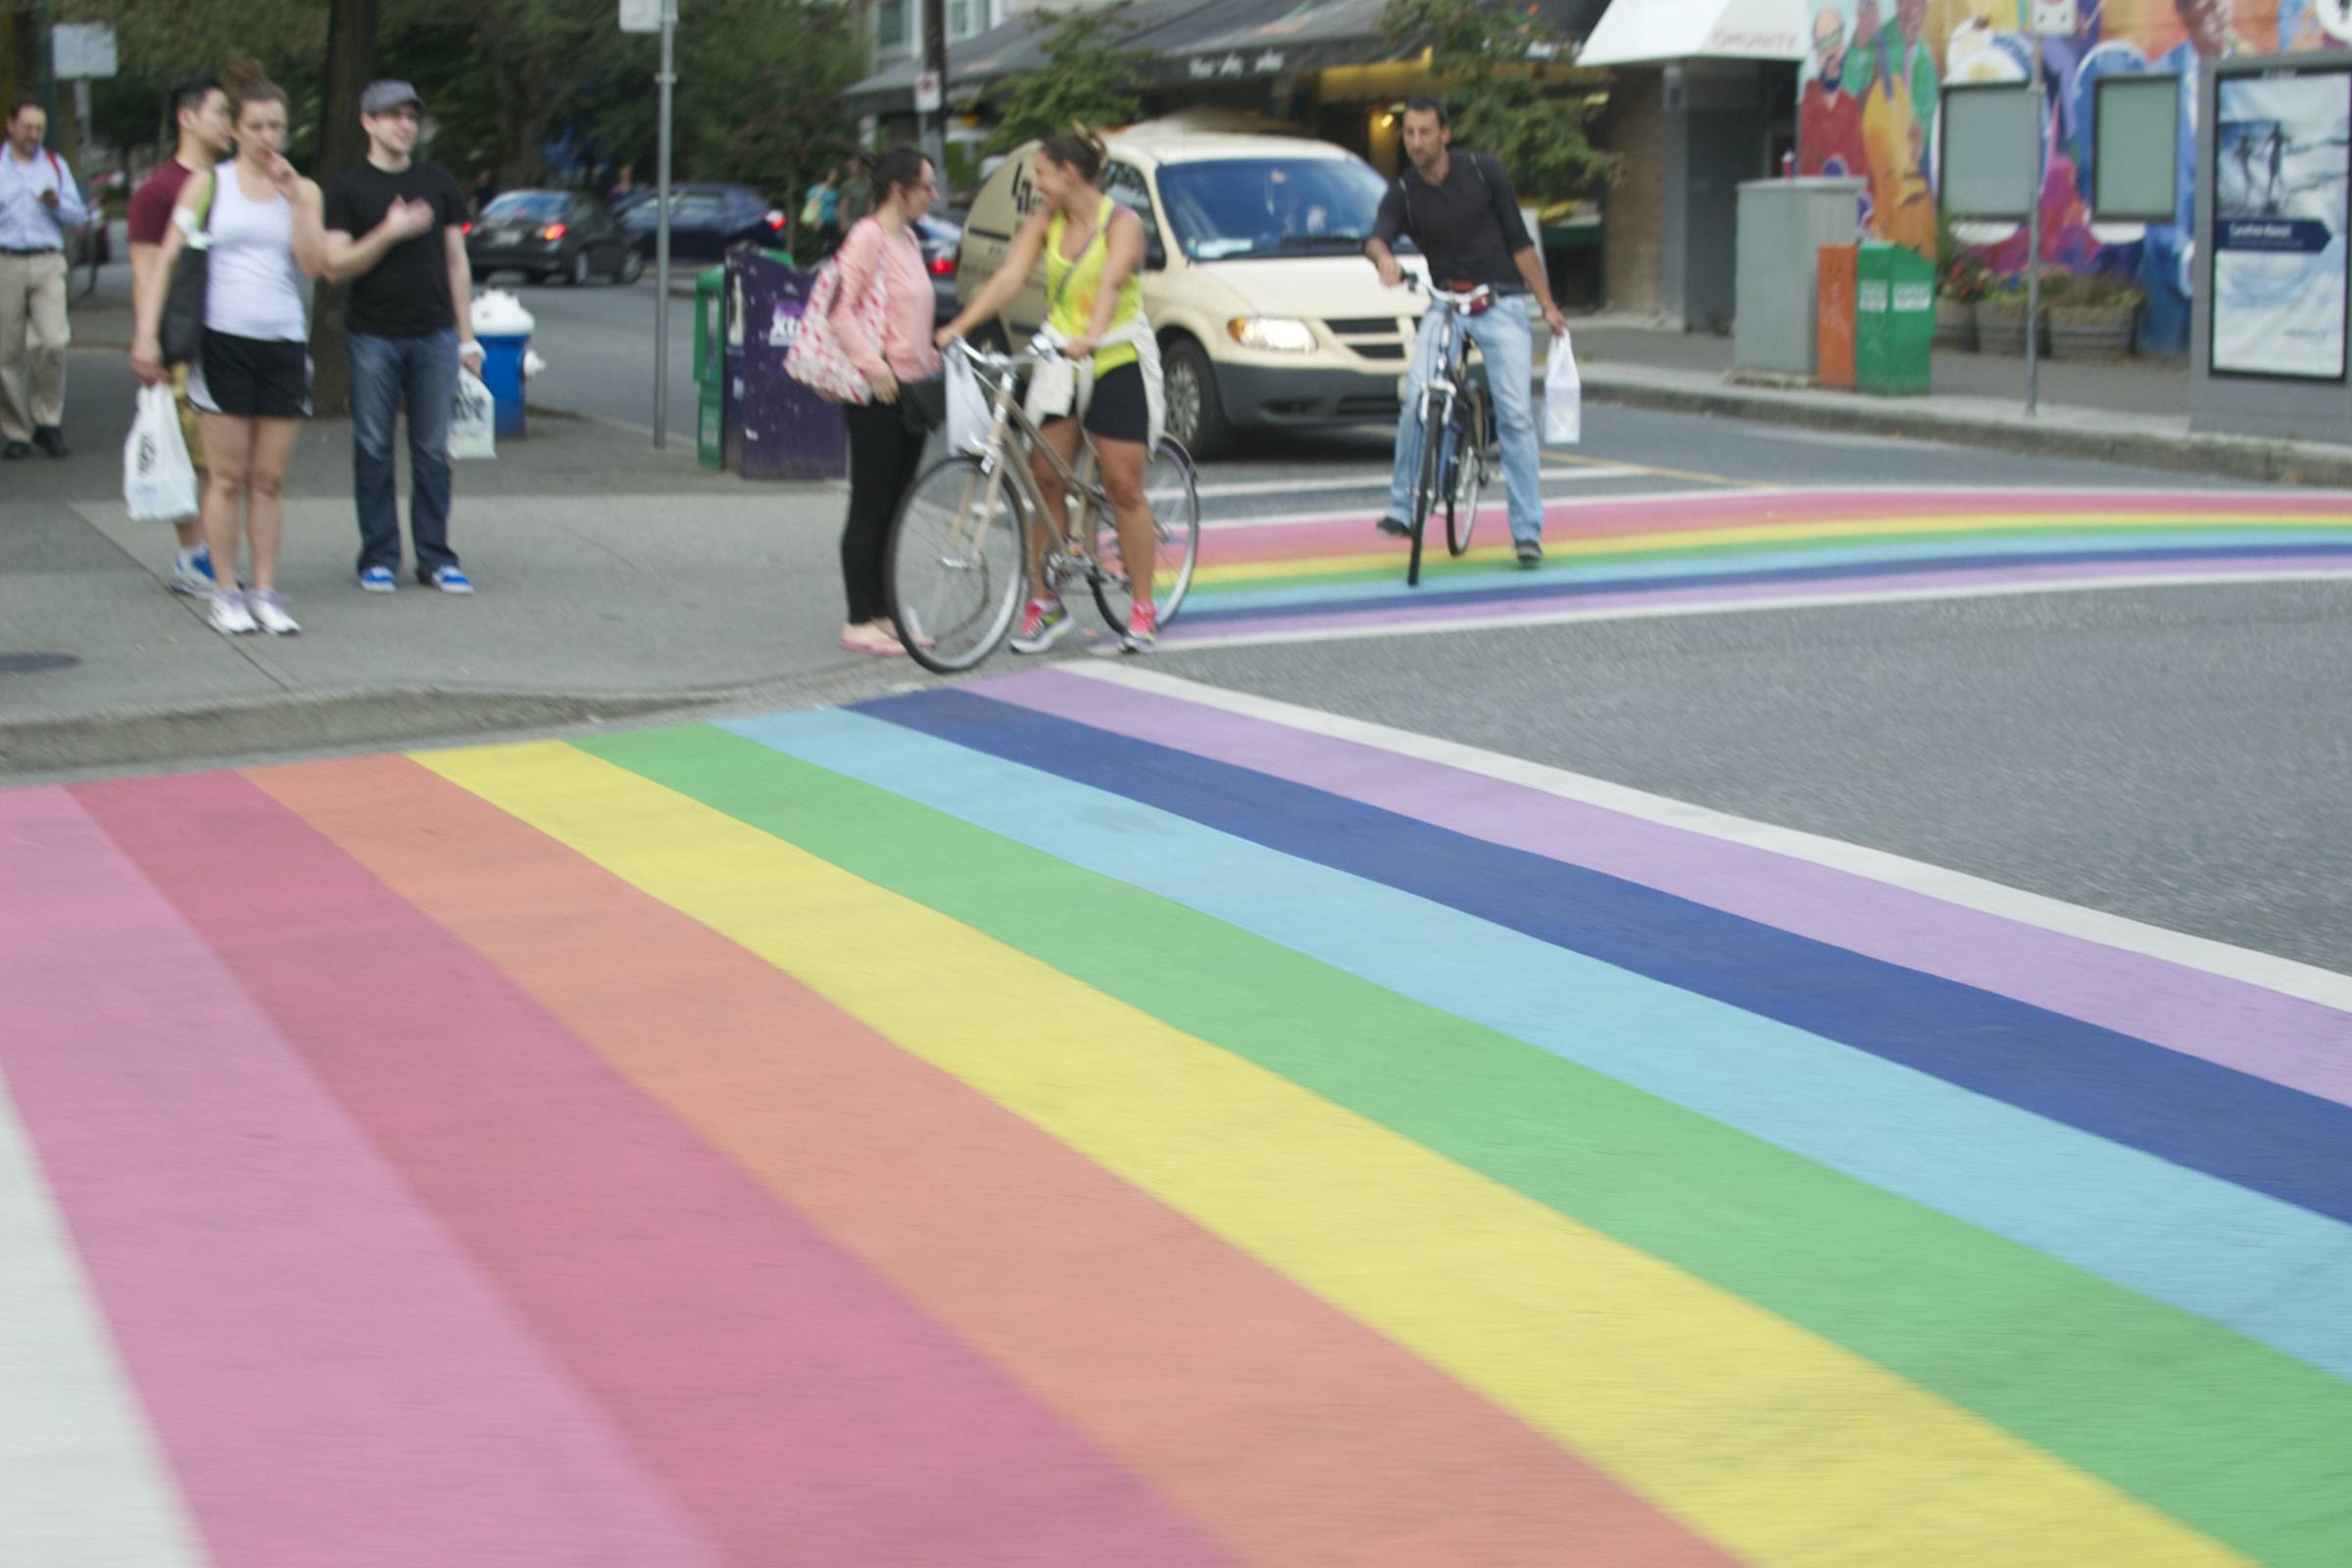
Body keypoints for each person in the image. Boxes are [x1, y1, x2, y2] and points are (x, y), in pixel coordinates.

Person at [940, 124, 1165, 653]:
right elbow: (1006, 281)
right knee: (1044, 479)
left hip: (1113, 355)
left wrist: (1091, 335)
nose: (1037, 184)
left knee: (1123, 486)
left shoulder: (1123, 224)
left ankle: (1143, 607)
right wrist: (958, 326)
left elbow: (1110, 282)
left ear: (1069, 173)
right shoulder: (1046, 222)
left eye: (1042, 173)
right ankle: (1047, 603)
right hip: (1059, 354)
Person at [128, 61, 329, 637]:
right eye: (258, 126)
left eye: (277, 126)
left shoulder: (303, 188)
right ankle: (225, 590)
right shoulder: (208, 184)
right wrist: (147, 333)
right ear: (235, 130)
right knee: (226, 476)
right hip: (222, 341)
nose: (269, 137)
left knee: (268, 479)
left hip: (283, 341)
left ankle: (264, 589)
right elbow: (168, 257)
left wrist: (295, 201)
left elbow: (313, 265)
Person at [1364, 97, 1568, 567]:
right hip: (1446, 302)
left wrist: (1548, 306)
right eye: (1409, 134)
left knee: (1515, 415)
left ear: (1445, 135)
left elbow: (1520, 243)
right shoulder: (1405, 191)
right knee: (1417, 398)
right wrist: (1384, 259)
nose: (1415, 142)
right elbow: (1376, 235)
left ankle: (1526, 531)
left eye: (1424, 133)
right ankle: (1402, 508)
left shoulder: (1484, 172)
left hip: (1500, 301)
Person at [322, 79, 481, 595]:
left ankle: (436, 556)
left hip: (435, 335)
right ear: (368, 122)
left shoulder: (437, 181)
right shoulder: (347, 190)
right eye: (391, 115)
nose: (404, 125)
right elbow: (335, 267)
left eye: (410, 116)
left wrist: (467, 337)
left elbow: (457, 262)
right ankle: (378, 556)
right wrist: (389, 232)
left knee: (433, 449)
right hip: (373, 337)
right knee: (373, 446)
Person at [825, 145, 942, 657]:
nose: (934, 196)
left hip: (913, 390)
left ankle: (884, 613)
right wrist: (874, 368)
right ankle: (859, 619)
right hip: (881, 392)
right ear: (899, 190)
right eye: (926, 187)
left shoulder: (910, 239)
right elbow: (838, 309)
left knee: (896, 506)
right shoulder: (868, 237)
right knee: (871, 505)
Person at [126, 76, 235, 594]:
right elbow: (147, 271)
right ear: (187, 118)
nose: (230, 123)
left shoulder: (237, 182)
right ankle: (194, 555)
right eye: (221, 112)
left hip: (231, 334)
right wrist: (147, 340)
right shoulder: (158, 192)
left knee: (226, 455)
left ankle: (217, 554)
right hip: (181, 340)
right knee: (195, 453)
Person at [0, 95, 87, 461]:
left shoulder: (54, 164)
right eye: (27, 127)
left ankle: (47, 421)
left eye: (39, 128)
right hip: (6, 261)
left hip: (48, 261)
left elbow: (78, 217)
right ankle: (16, 431)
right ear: (11, 126)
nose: (34, 135)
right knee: (7, 351)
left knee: (52, 341)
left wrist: (56, 204)